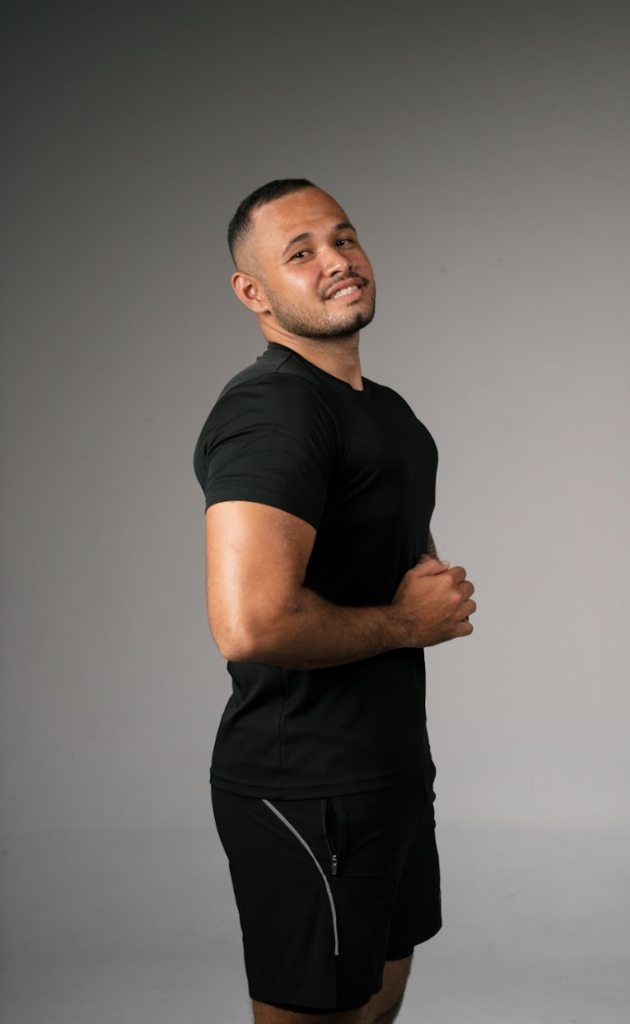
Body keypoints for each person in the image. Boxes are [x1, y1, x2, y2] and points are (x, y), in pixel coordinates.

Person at [193, 179, 476, 1024]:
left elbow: (389, 558)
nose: (337, 260)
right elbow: (249, 623)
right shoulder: (271, 409)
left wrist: (424, 590)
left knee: (376, 1009)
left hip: (389, 767)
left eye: (343, 238)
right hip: (306, 787)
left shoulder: (383, 411)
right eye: (300, 252)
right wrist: (408, 621)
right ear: (253, 293)